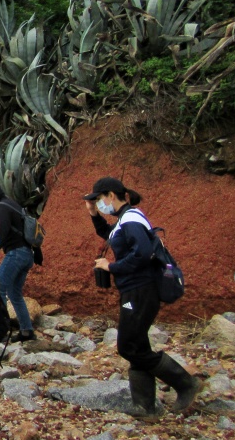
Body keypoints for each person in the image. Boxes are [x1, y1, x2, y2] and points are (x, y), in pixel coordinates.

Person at [85, 176, 203, 417]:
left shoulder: (131, 220)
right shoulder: (125, 220)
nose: (99, 204)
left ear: (110, 195)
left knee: (128, 346)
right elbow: (110, 235)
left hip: (141, 289)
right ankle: (144, 406)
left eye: (99, 199)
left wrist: (111, 267)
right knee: (137, 343)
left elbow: (143, 254)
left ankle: (185, 384)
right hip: (134, 289)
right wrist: (94, 214)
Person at [0, 181, 43, 342]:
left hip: (16, 253)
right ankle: (27, 331)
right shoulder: (11, 203)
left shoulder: (1, 207)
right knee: (14, 294)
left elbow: (3, 233)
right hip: (27, 254)